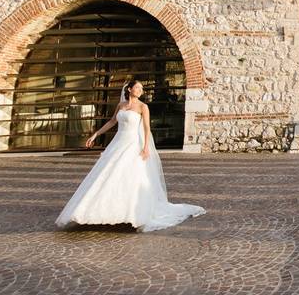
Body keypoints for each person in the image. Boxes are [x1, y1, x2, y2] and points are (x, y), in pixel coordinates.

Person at [56, 80, 205, 231]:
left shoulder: (143, 107)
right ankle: (98, 211)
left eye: (142, 88)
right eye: (138, 87)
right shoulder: (121, 105)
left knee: (129, 177)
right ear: (129, 89)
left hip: (133, 145)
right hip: (117, 144)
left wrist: (146, 147)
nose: (140, 90)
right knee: (107, 175)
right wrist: (95, 134)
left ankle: (130, 214)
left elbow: (147, 128)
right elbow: (112, 122)